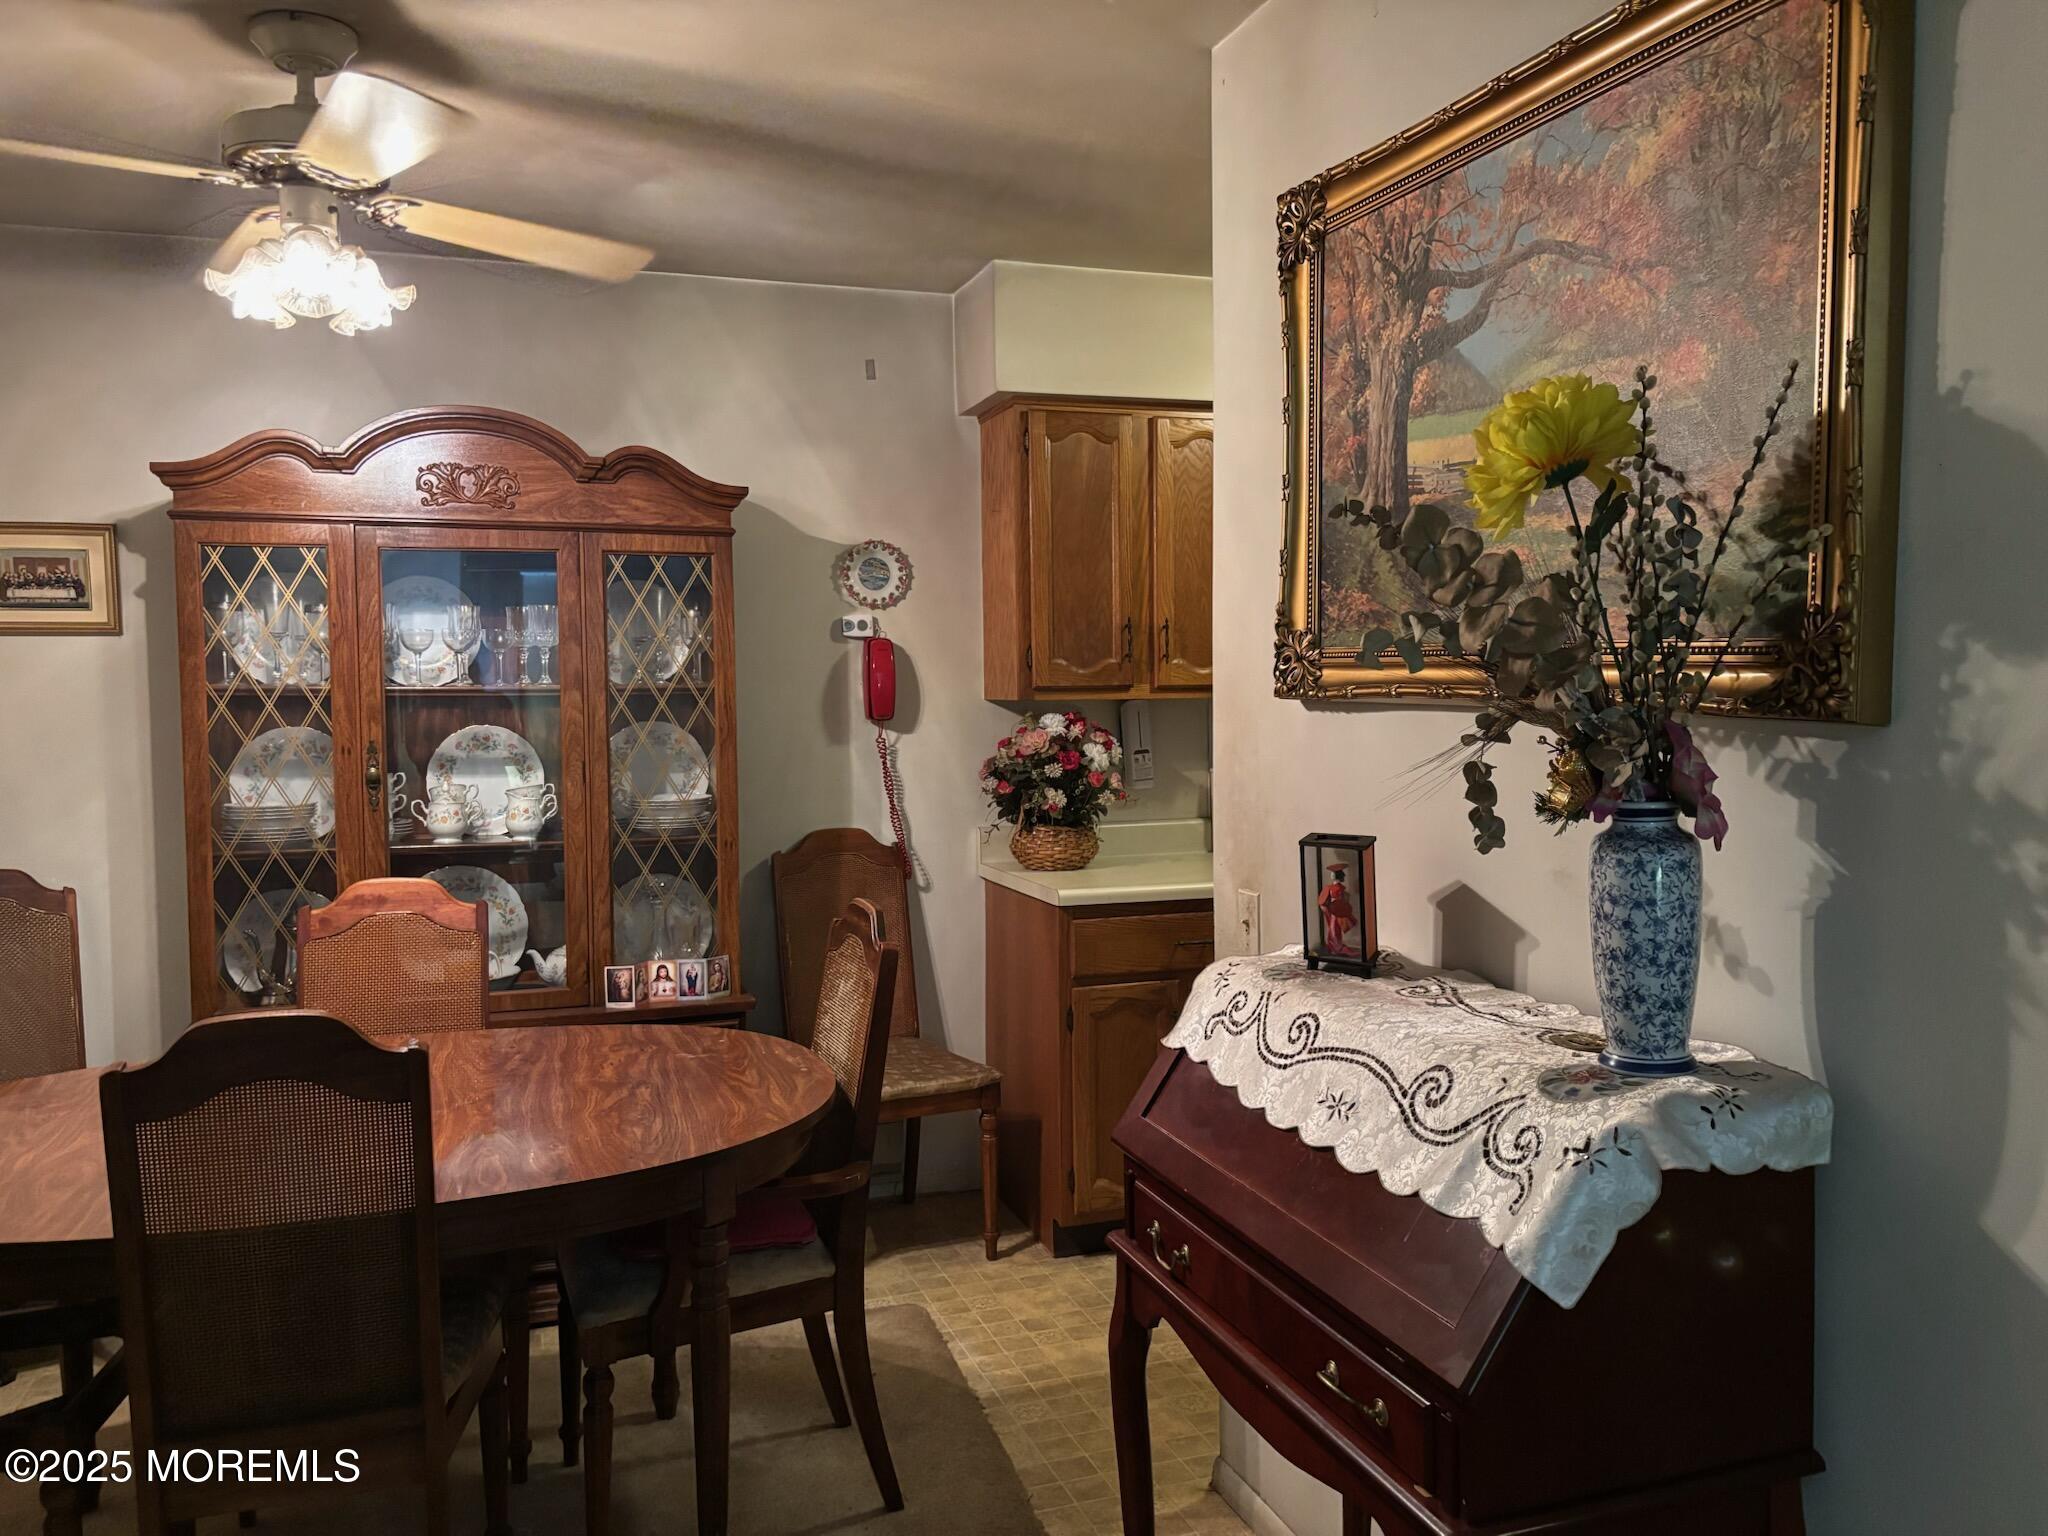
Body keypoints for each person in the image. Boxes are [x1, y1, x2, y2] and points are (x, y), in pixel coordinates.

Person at [1316, 863, 1360, 957]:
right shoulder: (1331, 888)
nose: (1344, 875)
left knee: (1335, 929)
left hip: (1337, 910)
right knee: (1333, 929)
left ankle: (1336, 947)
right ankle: (1336, 947)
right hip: (1334, 911)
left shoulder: (1337, 888)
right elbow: (1322, 902)